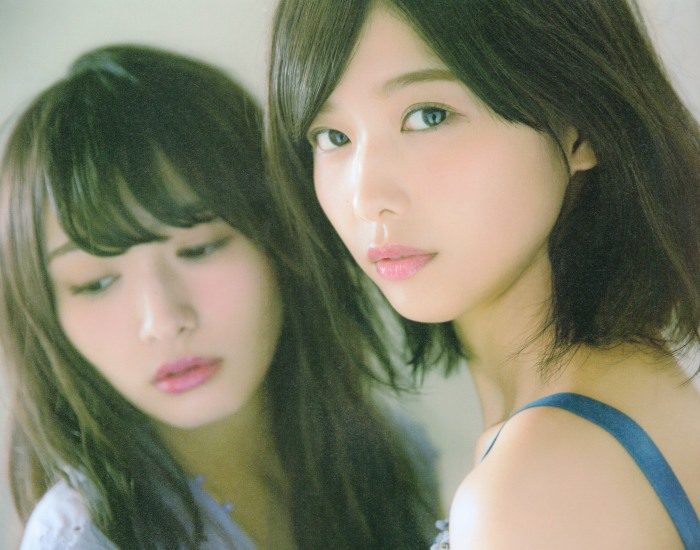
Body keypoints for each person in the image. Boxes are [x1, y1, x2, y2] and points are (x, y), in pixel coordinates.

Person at [266, 0, 700, 548]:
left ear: (580, 128)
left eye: (428, 115)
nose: (366, 196)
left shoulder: (537, 486)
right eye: (331, 136)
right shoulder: (639, 383)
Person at [0, 44, 441, 549]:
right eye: (95, 282)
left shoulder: (390, 459)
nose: (164, 320)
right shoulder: (84, 538)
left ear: (282, 239)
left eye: (199, 249)